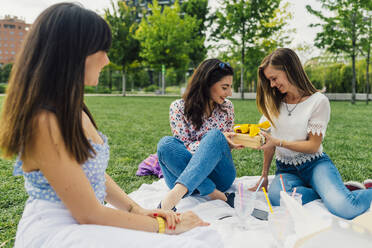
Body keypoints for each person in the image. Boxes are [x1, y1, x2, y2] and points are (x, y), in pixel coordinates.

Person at [0, 3, 222, 247]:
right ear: (75, 53)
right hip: (60, 232)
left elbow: (93, 175)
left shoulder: (72, 108)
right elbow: (89, 214)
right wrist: (164, 226)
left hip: (84, 223)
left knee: (202, 235)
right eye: (101, 50)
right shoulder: (43, 121)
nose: (106, 60)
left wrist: (137, 210)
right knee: (193, 239)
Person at [250, 48, 372, 220]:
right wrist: (264, 175)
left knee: (345, 208)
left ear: (289, 70)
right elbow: (268, 144)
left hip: (314, 165)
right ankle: (324, 191)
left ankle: (364, 190)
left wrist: (279, 142)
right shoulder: (273, 102)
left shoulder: (317, 101)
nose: (271, 85)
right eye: (269, 80)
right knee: (277, 197)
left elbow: (313, 146)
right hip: (286, 169)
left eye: (274, 78)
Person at [157, 59, 244, 211]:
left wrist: (226, 142)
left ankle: (171, 199)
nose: (229, 93)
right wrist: (212, 142)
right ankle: (216, 194)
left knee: (216, 136)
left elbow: (221, 150)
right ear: (207, 83)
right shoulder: (178, 107)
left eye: (230, 87)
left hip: (219, 177)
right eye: (225, 87)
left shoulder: (227, 107)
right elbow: (182, 148)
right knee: (165, 144)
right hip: (181, 173)